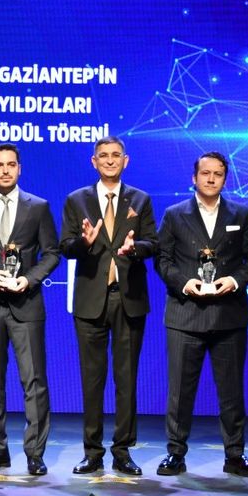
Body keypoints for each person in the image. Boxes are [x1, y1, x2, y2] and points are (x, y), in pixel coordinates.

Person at [153, 151, 248, 478]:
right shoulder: (175, 214)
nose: (211, 178)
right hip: (185, 314)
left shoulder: (241, 214)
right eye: (205, 173)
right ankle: (175, 453)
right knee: (180, 392)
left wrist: (235, 280)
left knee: (231, 391)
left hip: (228, 315)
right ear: (194, 177)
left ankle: (235, 455)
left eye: (218, 173)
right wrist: (185, 283)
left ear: (225, 179)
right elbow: (162, 259)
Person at [60, 135, 157, 475]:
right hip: (90, 300)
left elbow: (153, 243)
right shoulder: (77, 200)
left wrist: (136, 248)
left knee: (126, 379)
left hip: (128, 298)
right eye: (104, 155)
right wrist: (84, 243)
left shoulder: (141, 199)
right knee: (92, 380)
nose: (110, 160)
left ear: (125, 161)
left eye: (116, 155)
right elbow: (65, 246)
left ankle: (123, 450)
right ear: (94, 161)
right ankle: (92, 451)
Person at [0, 143, 59, 477]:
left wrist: (28, 280)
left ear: (19, 168)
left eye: (11, 164)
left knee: (34, 382)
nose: (5, 170)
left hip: (25, 305)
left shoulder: (38, 207)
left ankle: (35, 453)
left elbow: (52, 253)